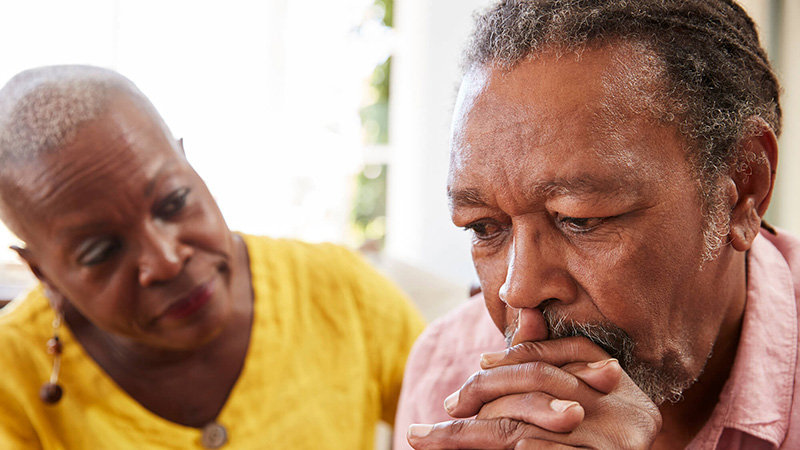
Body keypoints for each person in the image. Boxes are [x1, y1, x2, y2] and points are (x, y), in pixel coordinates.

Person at [394, 0, 800, 448]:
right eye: (484, 228)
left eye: (580, 219)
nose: (520, 290)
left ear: (743, 188)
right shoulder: (444, 373)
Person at [0, 65, 425, 449]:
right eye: (102, 251)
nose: (166, 260)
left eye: (174, 202)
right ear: (44, 273)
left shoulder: (341, 291)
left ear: (189, 165)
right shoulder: (9, 378)